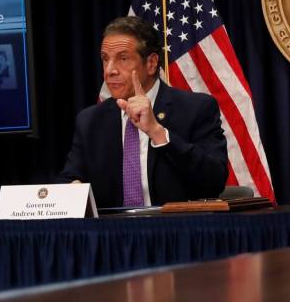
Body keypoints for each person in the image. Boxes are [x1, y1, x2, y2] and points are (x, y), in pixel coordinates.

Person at [58, 16, 228, 207]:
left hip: (175, 230)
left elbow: (213, 181)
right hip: (112, 233)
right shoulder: (90, 121)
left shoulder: (196, 109)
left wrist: (157, 132)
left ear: (151, 63)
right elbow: (69, 178)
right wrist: (75, 189)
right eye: (105, 59)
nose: (110, 70)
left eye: (122, 59)